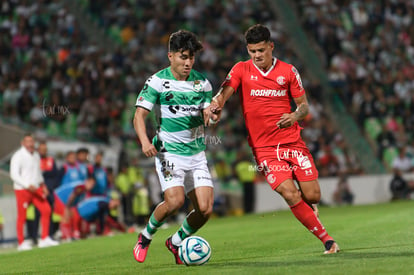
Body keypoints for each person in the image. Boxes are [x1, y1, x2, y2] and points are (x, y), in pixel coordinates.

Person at [208, 24, 339, 254]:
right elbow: (224, 93)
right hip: (264, 149)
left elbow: (304, 107)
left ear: (271, 46)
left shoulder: (288, 71)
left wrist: (295, 115)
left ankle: (309, 205)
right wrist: (216, 105)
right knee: (290, 193)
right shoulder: (241, 69)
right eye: (252, 51)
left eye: (261, 50)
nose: (257, 55)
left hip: (292, 143)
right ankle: (328, 240)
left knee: (313, 195)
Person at [132, 30, 217, 264]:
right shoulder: (158, 81)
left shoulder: (202, 84)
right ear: (170, 56)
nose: (188, 62)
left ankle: (176, 241)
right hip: (169, 152)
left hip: (196, 154)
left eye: (191, 57)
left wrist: (211, 115)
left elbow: (208, 116)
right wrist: (145, 142)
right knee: (175, 201)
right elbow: (139, 116)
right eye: (183, 57)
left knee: (206, 209)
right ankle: (146, 236)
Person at [10, 133, 59, 251]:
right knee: (22, 216)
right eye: (28, 141)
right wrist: (27, 185)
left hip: (35, 188)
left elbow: (37, 173)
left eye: (32, 141)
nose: (30, 144)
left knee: (46, 209)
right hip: (22, 189)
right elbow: (14, 175)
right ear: (22, 143)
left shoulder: (36, 155)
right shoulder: (18, 156)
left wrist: (43, 185)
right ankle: (21, 243)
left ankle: (44, 238)